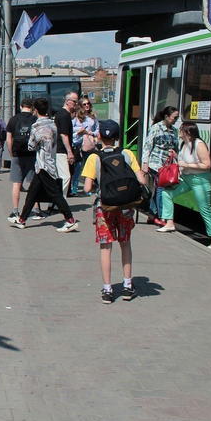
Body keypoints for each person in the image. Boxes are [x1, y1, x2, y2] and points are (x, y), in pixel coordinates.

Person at [81, 120, 148, 303]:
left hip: (105, 207)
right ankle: (127, 286)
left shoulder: (94, 158)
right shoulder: (127, 153)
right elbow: (141, 180)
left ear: (100, 136)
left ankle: (108, 290)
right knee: (125, 244)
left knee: (106, 247)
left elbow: (87, 188)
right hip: (126, 207)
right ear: (118, 137)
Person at [10, 97, 79, 232]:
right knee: (32, 193)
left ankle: (70, 219)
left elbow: (31, 146)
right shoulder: (53, 125)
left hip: (42, 164)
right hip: (50, 162)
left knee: (55, 194)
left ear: (35, 110)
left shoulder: (36, 127)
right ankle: (22, 219)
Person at [156, 121, 211, 250]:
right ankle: (169, 223)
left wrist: (186, 165)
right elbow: (183, 161)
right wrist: (175, 156)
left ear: (188, 132)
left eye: (181, 130)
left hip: (200, 180)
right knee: (166, 193)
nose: (179, 131)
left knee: (204, 209)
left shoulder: (199, 144)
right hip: (186, 178)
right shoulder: (184, 144)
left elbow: (207, 165)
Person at [141, 105, 180, 224]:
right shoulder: (156, 128)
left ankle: (152, 215)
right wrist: (145, 163)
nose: (176, 120)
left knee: (159, 189)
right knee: (161, 189)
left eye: (177, 118)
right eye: (174, 117)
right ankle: (162, 216)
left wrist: (175, 154)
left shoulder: (174, 130)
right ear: (167, 116)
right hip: (155, 163)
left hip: (167, 165)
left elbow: (176, 147)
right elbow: (148, 145)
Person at [5, 99, 42, 222]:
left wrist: (11, 153)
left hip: (17, 155)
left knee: (17, 183)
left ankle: (15, 210)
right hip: (32, 155)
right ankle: (36, 209)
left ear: (21, 106)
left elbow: (9, 139)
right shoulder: (35, 119)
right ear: (31, 107)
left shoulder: (14, 119)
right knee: (33, 183)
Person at [70, 96, 99, 195]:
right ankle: (74, 188)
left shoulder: (93, 117)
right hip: (77, 145)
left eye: (88, 104)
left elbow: (97, 131)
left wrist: (91, 133)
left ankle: (89, 188)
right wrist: (78, 132)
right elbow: (69, 131)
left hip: (88, 145)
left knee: (89, 167)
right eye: (84, 104)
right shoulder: (75, 118)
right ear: (80, 106)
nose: (87, 106)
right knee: (77, 167)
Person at [55, 91, 79, 197]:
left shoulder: (62, 113)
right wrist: (69, 152)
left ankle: (56, 202)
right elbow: (64, 135)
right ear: (68, 101)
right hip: (61, 150)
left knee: (60, 176)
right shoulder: (64, 115)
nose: (76, 104)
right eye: (74, 101)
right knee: (65, 177)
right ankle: (60, 201)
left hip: (59, 149)